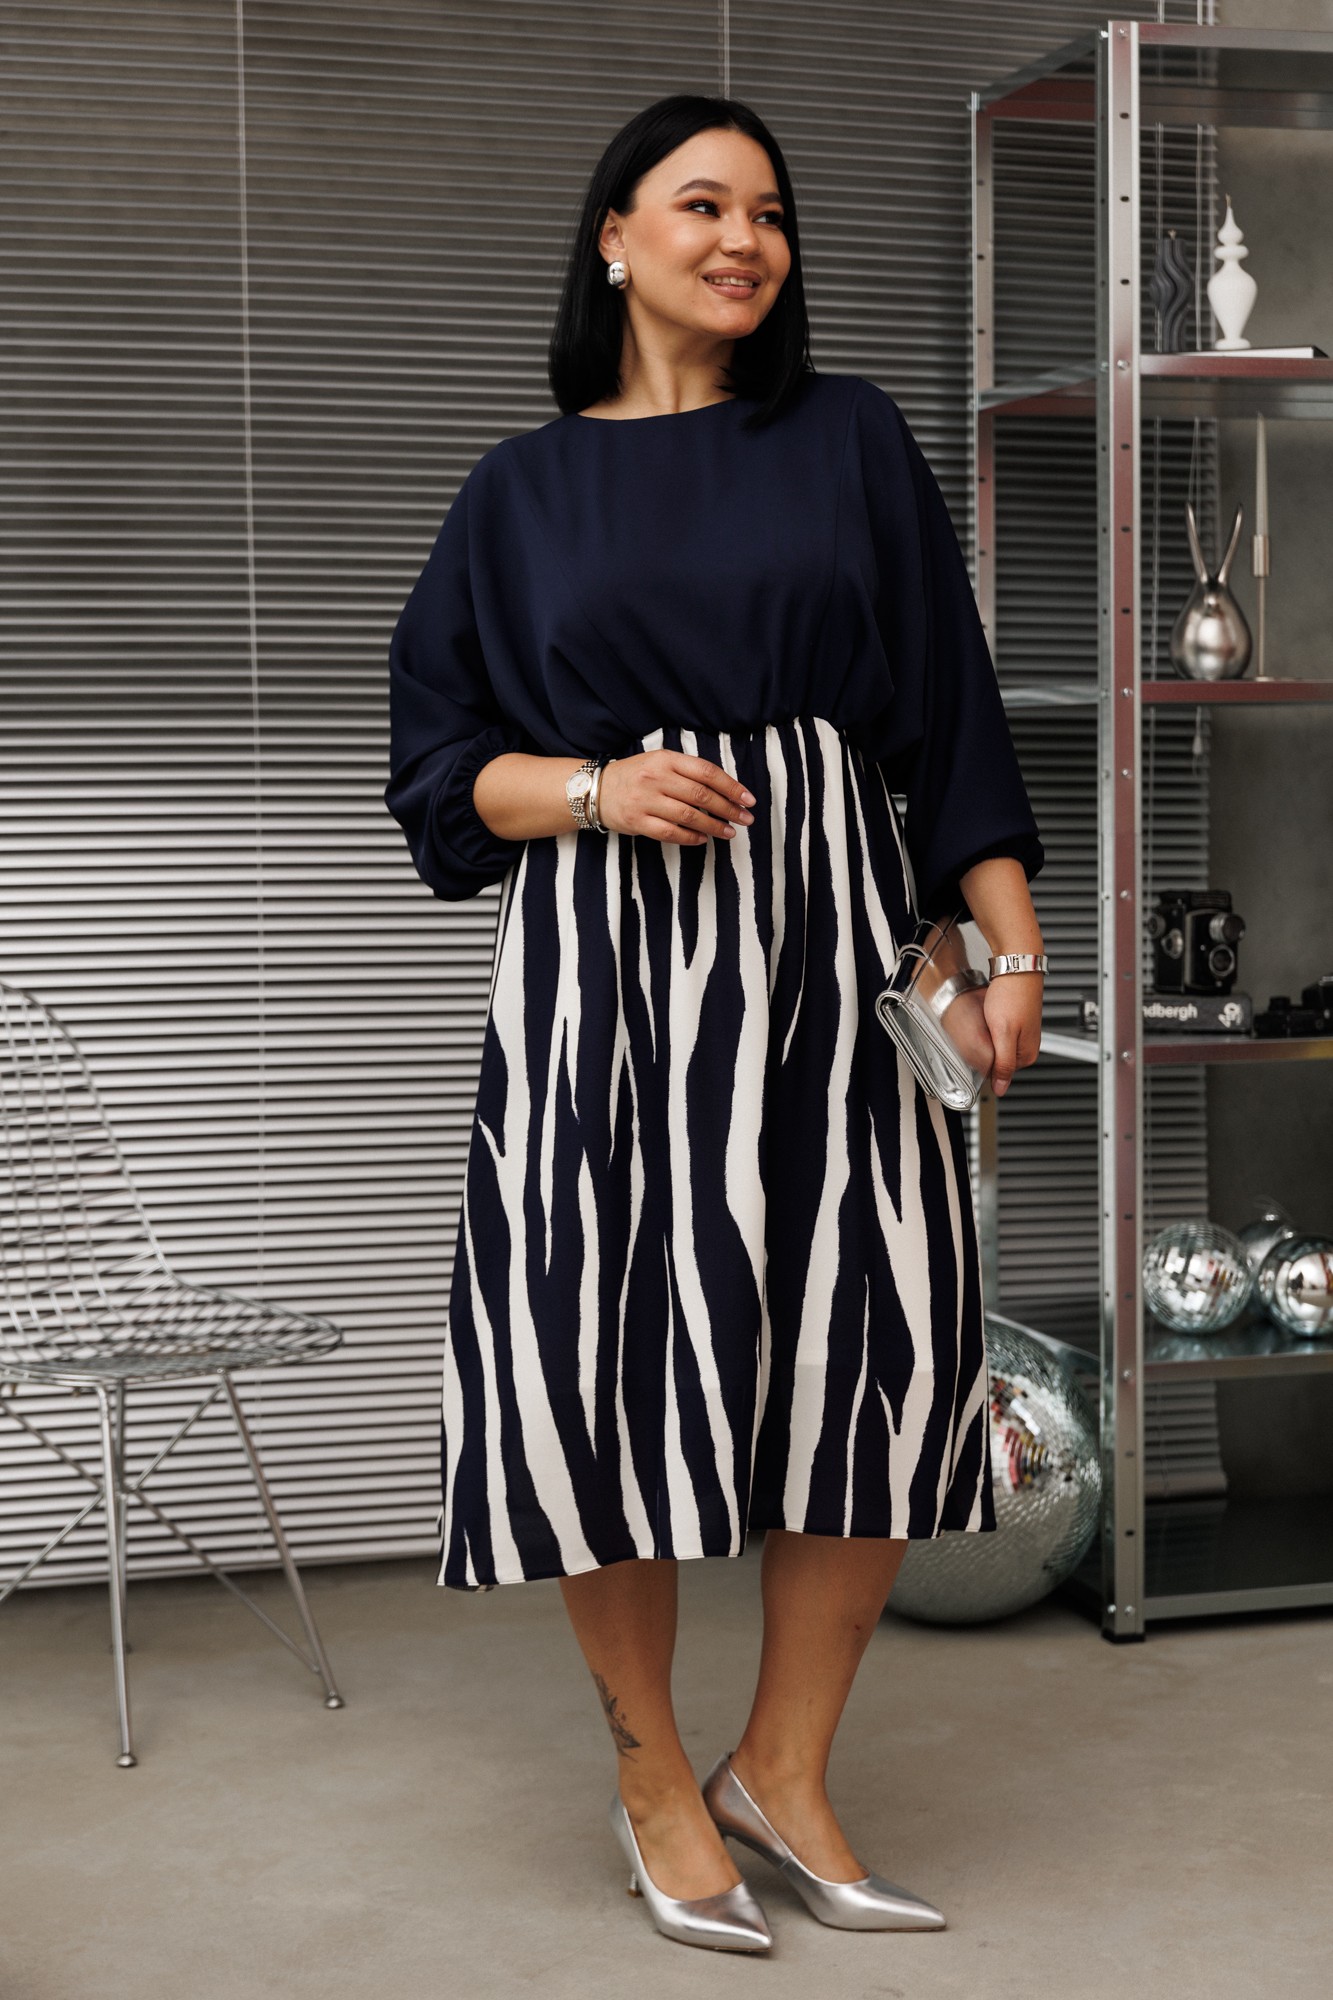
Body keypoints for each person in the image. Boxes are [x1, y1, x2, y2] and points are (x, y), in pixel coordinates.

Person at [384, 94, 1046, 1956]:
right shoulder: (517, 494)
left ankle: (785, 1768)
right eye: (701, 204)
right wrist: (594, 790)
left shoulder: (846, 439)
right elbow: (437, 774)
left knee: (870, 1344)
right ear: (613, 236)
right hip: (609, 975)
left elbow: (945, 708)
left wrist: (1010, 949)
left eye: (768, 211)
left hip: (833, 946)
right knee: (606, 1356)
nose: (744, 238)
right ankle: (656, 1780)